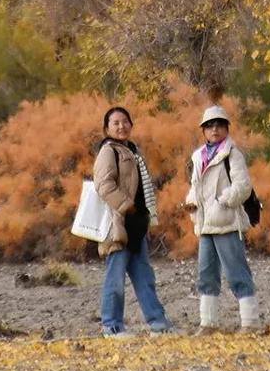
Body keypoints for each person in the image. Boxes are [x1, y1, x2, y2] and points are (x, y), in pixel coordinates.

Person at [92, 106, 174, 336]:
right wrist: (126, 205)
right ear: (106, 128)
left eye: (125, 121)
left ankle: (158, 323)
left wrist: (142, 214)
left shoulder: (132, 151)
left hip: (136, 225)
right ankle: (112, 326)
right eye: (115, 122)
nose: (121, 126)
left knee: (144, 277)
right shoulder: (109, 151)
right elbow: (103, 185)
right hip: (118, 224)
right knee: (115, 278)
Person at [185, 103, 261, 330]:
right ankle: (208, 323)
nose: (214, 130)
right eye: (209, 126)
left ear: (226, 128)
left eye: (219, 125)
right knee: (206, 274)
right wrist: (191, 202)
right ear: (203, 131)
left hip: (226, 222)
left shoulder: (233, 154)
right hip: (205, 223)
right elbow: (195, 185)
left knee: (237, 271)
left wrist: (223, 201)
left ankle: (250, 322)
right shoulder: (199, 156)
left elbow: (243, 186)